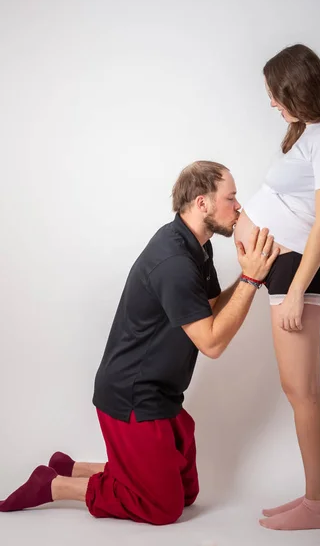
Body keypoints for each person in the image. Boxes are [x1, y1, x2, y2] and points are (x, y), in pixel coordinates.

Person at [0, 161, 279, 524]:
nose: (238, 206)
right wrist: (250, 281)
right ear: (202, 203)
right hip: (132, 395)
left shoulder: (197, 246)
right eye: (231, 197)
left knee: (187, 490)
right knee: (164, 506)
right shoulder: (175, 261)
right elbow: (211, 343)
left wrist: (248, 277)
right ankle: (55, 485)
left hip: (161, 392)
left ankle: (74, 467)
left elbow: (209, 312)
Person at [234, 44, 320, 531]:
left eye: (275, 94)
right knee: (297, 388)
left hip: (300, 273)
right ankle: (314, 498)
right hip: (286, 271)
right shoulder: (311, 132)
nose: (271, 103)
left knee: (303, 390)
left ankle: (318, 505)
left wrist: (299, 290)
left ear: (296, 88)